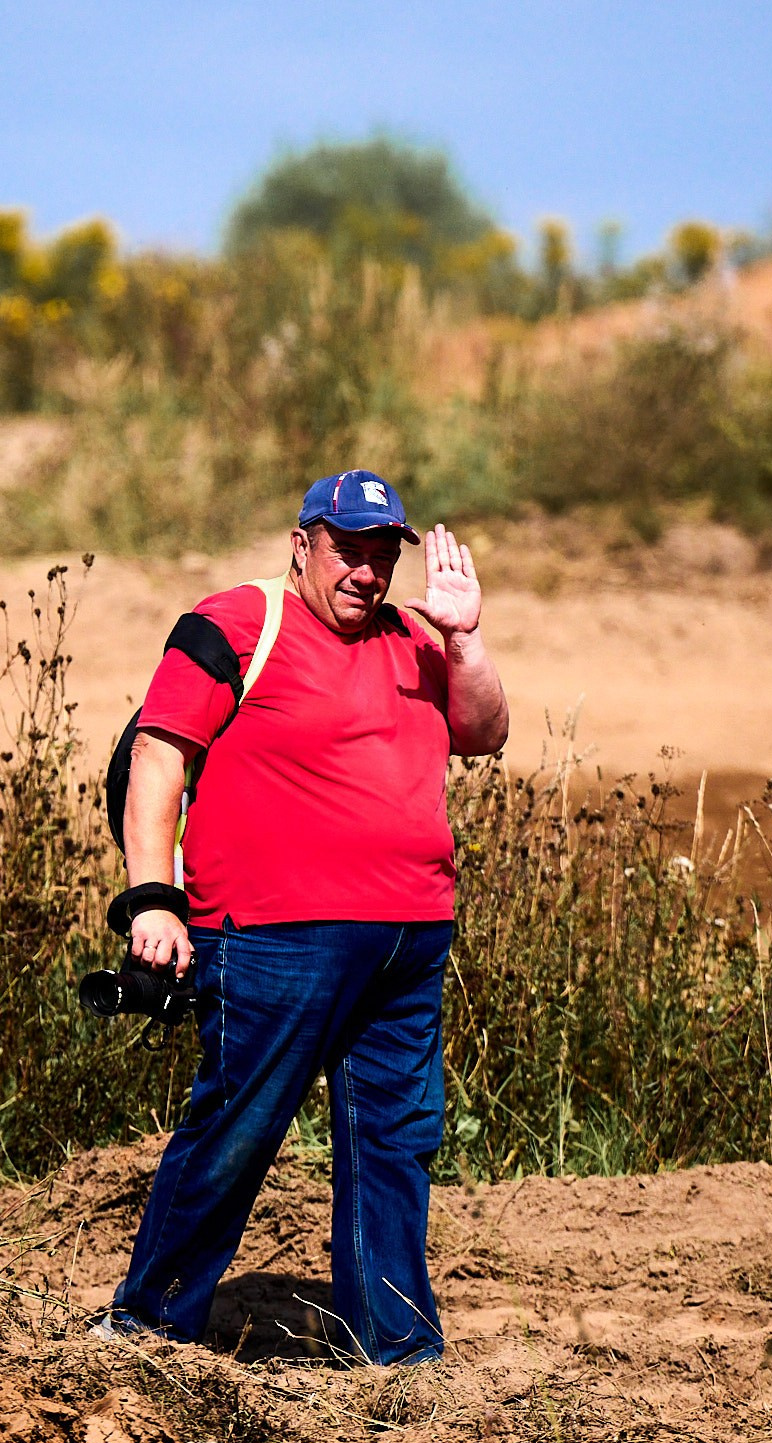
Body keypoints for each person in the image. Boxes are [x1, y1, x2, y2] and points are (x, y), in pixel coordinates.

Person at [101, 470, 509, 1365]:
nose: (366, 571)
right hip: (272, 936)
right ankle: (148, 1328)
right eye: (347, 550)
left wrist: (465, 639)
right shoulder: (237, 622)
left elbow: (484, 733)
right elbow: (157, 757)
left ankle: (394, 1351)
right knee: (238, 1130)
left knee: (394, 1141)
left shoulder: (415, 636)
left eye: (381, 554)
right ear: (302, 544)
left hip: (408, 938)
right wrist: (153, 901)